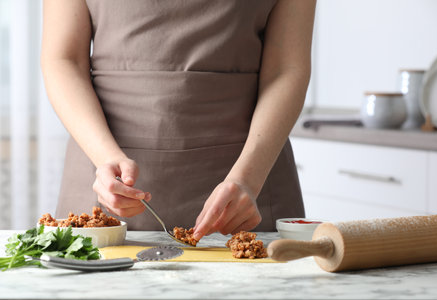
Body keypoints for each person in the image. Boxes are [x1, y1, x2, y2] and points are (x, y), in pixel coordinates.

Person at [41, 0, 316, 241]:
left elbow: (286, 69)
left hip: (248, 188)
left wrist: (248, 179)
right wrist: (104, 158)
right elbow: (63, 60)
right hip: (103, 180)